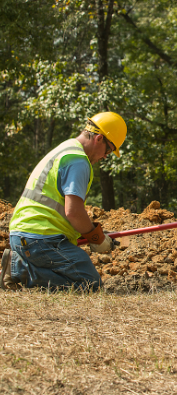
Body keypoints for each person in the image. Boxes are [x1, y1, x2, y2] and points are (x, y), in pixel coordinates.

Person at [2, 112, 128, 291]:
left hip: (28, 235)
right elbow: (73, 212)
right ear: (99, 138)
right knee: (89, 284)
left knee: (80, 277)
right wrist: (96, 238)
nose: (106, 156)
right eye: (109, 149)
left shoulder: (67, 148)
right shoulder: (78, 161)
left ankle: (21, 266)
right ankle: (18, 269)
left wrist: (92, 233)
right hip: (39, 238)